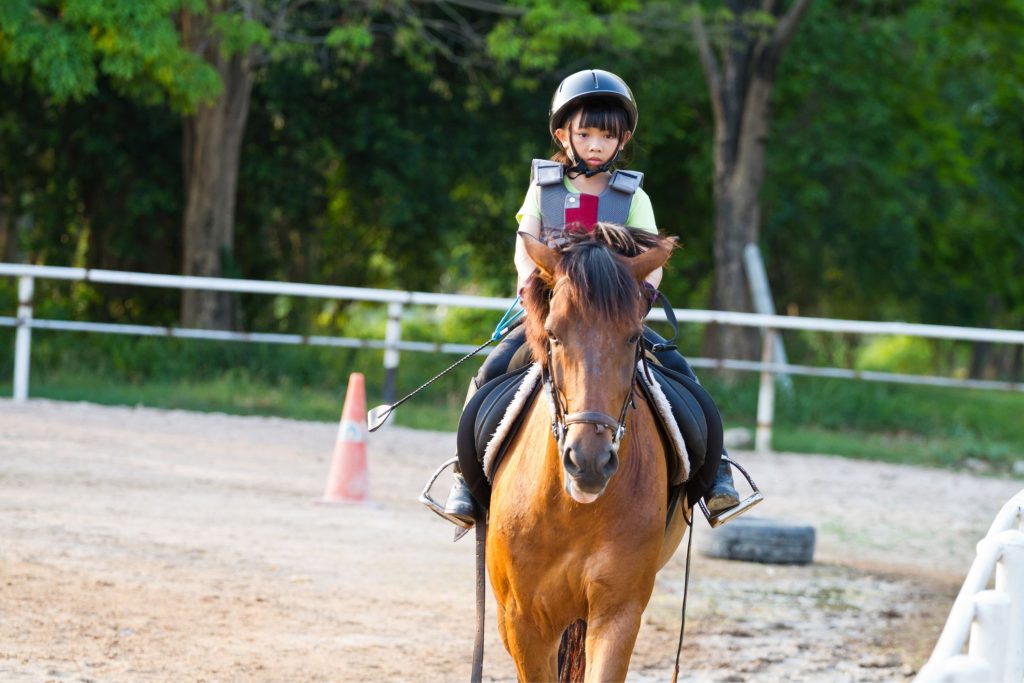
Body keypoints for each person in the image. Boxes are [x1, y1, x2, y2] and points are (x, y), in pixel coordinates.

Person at [438, 68, 741, 528]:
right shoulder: (544, 186)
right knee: (490, 372)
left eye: (607, 135)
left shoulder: (632, 195)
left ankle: (715, 475)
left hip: (616, 314)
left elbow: (651, 258)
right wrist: (529, 289)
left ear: (623, 140)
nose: (596, 144)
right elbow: (527, 243)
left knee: (682, 376)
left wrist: (641, 295)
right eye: (586, 133)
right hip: (554, 311)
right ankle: (465, 477)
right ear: (564, 134)